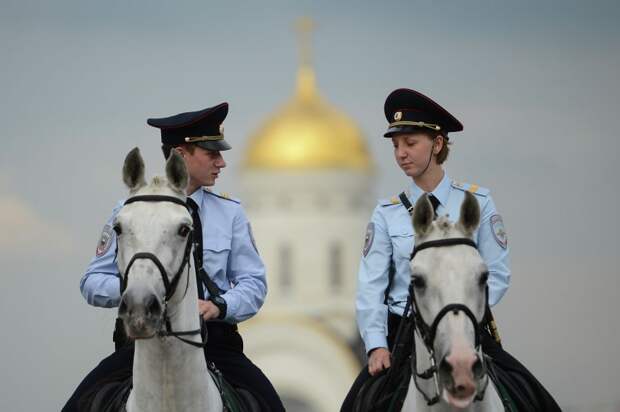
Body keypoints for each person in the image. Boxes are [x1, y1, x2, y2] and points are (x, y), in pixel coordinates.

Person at [63, 103, 285, 412]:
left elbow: (254, 285)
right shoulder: (129, 211)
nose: (221, 163)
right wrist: (138, 291)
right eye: (212, 154)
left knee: (271, 405)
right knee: (76, 405)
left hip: (216, 345)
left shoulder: (230, 213)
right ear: (181, 157)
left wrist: (218, 306)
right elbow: (92, 282)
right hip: (141, 342)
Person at [340, 88, 511, 411]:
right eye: (395, 146)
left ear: (437, 143)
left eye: (410, 143)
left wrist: (461, 319)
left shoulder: (478, 203)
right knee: (355, 404)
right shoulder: (386, 213)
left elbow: (497, 274)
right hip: (401, 340)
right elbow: (371, 286)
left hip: (469, 333)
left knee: (533, 395)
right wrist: (377, 346)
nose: (401, 153)